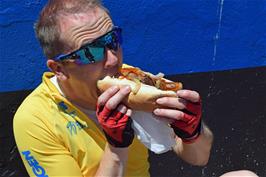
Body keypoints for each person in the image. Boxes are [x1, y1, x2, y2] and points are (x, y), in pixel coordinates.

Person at [13, 0, 215, 176]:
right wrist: (116, 147)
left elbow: (200, 158)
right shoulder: (34, 119)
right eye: (91, 52)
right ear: (59, 68)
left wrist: (192, 132)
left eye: (112, 40)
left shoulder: (132, 78)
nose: (112, 60)